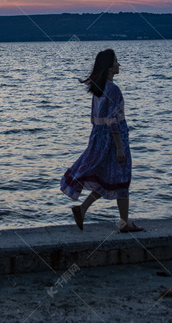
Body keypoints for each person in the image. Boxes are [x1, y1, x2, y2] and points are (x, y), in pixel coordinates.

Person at [60, 49, 143, 233]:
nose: (118, 65)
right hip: (114, 139)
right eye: (115, 61)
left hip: (99, 137)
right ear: (108, 67)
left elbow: (94, 118)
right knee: (122, 178)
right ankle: (124, 223)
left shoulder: (98, 89)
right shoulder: (112, 89)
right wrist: (119, 147)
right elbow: (113, 120)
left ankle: (82, 209)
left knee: (106, 178)